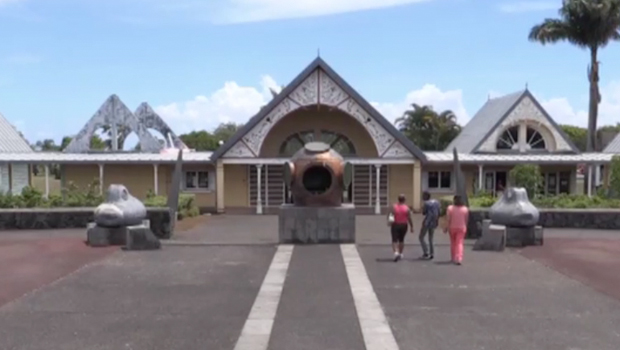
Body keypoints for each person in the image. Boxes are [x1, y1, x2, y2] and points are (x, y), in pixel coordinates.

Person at [444, 195, 469, 265]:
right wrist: (465, 226)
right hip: (462, 227)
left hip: (452, 227)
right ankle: (459, 258)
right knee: (460, 243)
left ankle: (453, 257)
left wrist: (446, 227)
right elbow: (466, 219)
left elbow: (448, 219)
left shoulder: (450, 208)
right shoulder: (465, 209)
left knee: (453, 243)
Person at [388, 194, 414, 262]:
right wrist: (412, 226)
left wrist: (389, 222)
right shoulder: (407, 208)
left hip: (395, 224)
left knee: (394, 239)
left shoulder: (394, 207)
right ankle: (400, 253)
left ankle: (396, 252)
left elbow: (391, 215)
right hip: (404, 225)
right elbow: (409, 218)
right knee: (401, 239)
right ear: (404, 200)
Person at [419, 191, 440, 260]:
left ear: (425, 196)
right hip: (434, 222)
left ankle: (426, 252)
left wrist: (422, 209)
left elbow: (424, 212)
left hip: (427, 222)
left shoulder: (426, 203)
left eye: (423, 196)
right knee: (431, 238)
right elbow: (439, 212)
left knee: (421, 237)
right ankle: (432, 253)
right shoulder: (436, 202)